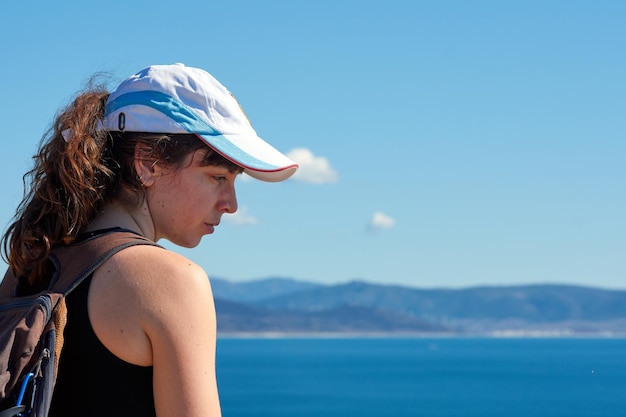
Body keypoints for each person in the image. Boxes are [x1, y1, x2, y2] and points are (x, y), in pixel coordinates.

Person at [0, 63, 298, 417]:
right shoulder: (173, 281)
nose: (231, 204)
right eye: (217, 176)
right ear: (148, 162)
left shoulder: (27, 268)